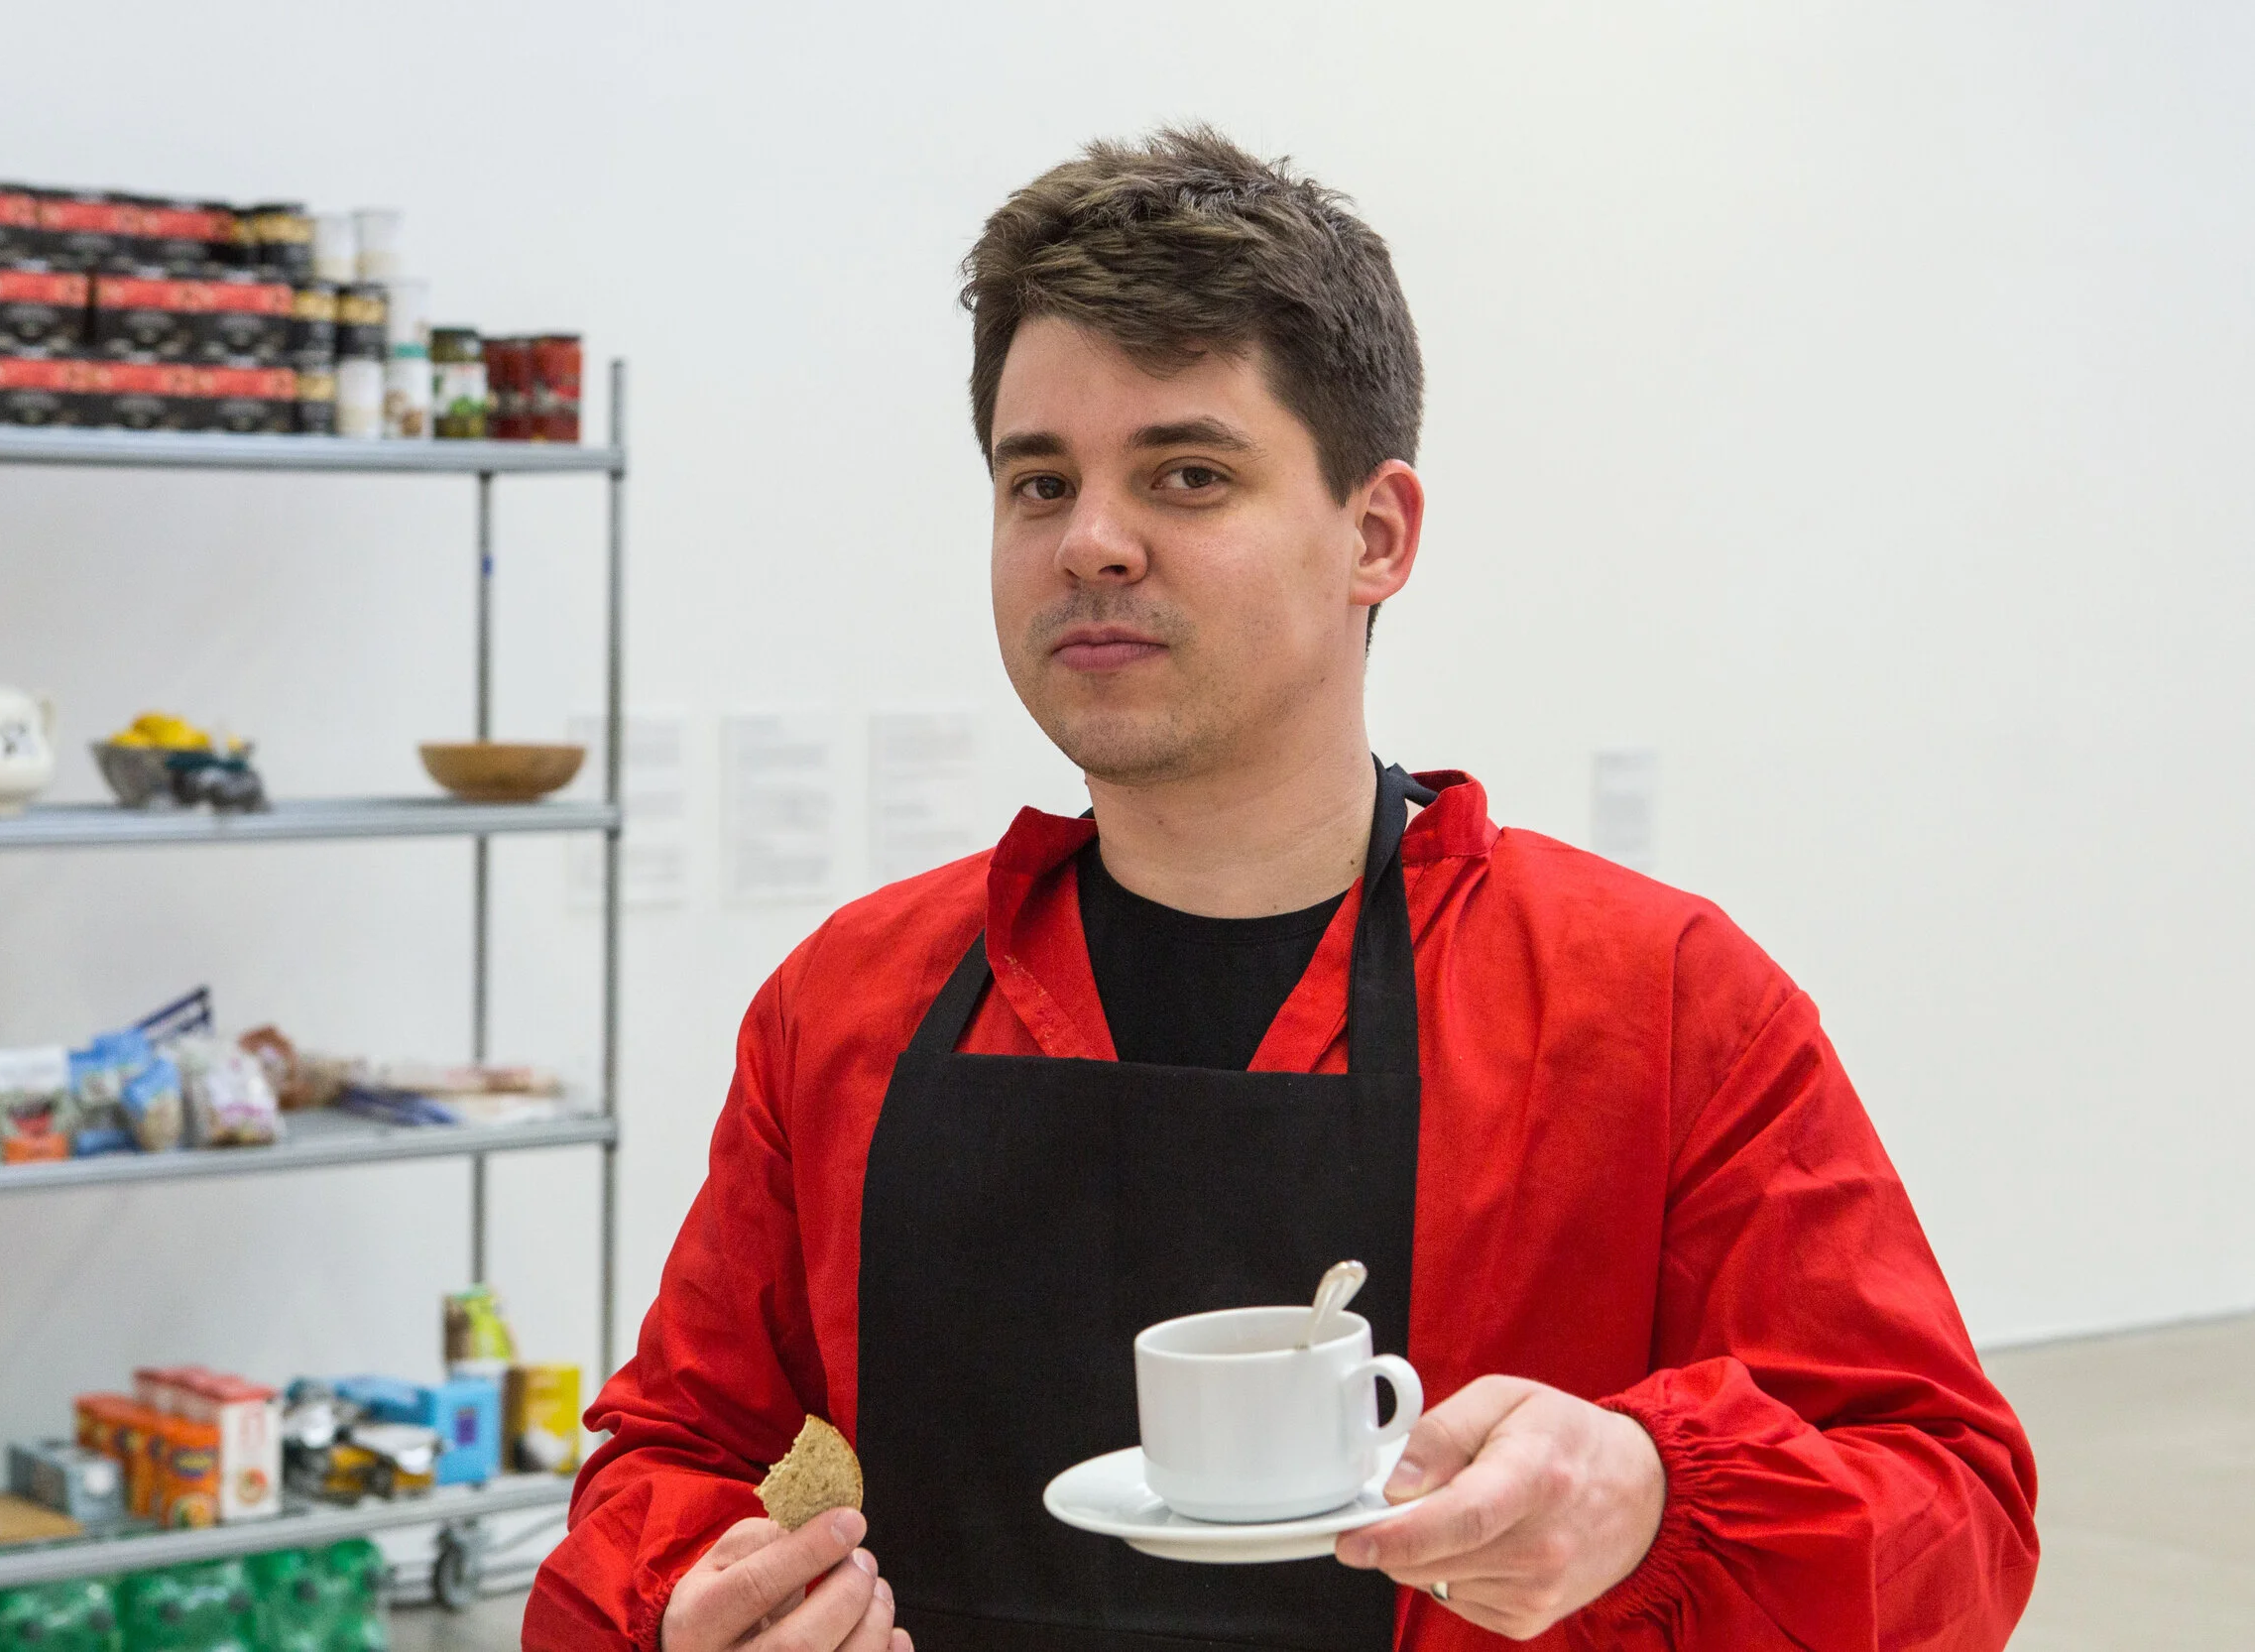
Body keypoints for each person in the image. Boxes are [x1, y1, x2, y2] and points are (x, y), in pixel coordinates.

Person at [526, 127, 2038, 1652]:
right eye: (1037, 481)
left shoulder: (1652, 1005)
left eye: (1188, 473)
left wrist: (1653, 1492)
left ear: (1375, 533)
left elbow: (1953, 1511)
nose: (1092, 542)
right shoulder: (848, 1006)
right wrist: (687, 1609)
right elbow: (671, 1458)